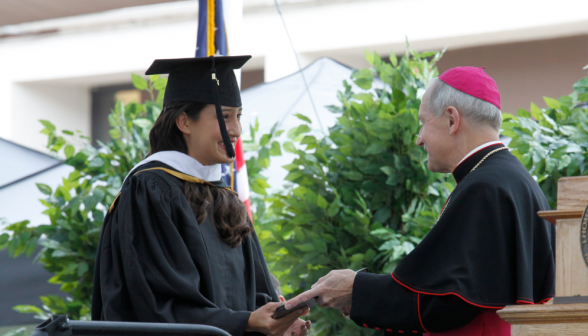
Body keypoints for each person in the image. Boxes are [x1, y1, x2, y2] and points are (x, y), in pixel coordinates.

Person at [284, 67, 556, 335]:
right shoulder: (516, 181)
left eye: (423, 122)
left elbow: (447, 303)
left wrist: (356, 288)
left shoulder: (484, 188)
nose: (418, 139)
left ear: (452, 120)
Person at [91, 55, 309, 336]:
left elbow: (257, 294)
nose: (236, 130)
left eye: (238, 116)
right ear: (184, 122)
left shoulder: (225, 198)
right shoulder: (150, 191)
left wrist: (279, 321)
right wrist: (244, 322)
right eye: (225, 116)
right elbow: (154, 303)